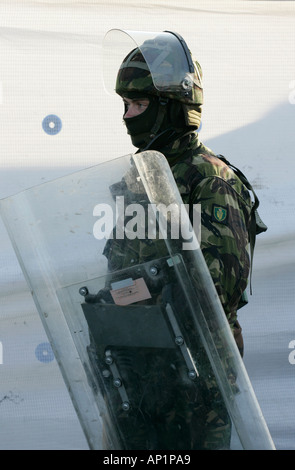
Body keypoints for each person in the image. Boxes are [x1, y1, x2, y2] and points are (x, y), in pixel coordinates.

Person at [90, 30, 254, 450]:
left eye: (140, 104)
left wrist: (132, 295)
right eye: (126, 104)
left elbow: (214, 295)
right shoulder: (135, 182)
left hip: (195, 386)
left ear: (173, 108)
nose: (128, 115)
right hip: (137, 384)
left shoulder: (209, 181)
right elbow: (119, 275)